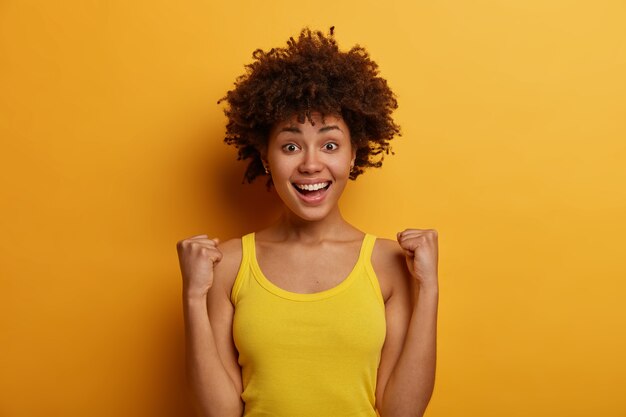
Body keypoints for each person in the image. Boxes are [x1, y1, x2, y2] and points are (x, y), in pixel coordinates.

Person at [176, 27, 439, 417]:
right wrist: (194, 296)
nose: (311, 164)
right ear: (266, 158)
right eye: (291, 146)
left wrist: (430, 288)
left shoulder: (388, 263)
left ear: (353, 155)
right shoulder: (227, 264)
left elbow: (402, 411)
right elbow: (221, 413)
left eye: (330, 144)